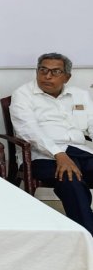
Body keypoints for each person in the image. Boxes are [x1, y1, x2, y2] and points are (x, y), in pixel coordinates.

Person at [10, 53, 93, 236]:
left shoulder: (80, 95)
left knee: (74, 174)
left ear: (67, 77)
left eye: (55, 72)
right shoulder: (23, 95)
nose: (47, 76)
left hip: (79, 151)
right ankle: (88, 235)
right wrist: (59, 154)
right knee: (70, 179)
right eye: (43, 70)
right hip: (42, 157)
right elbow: (29, 130)